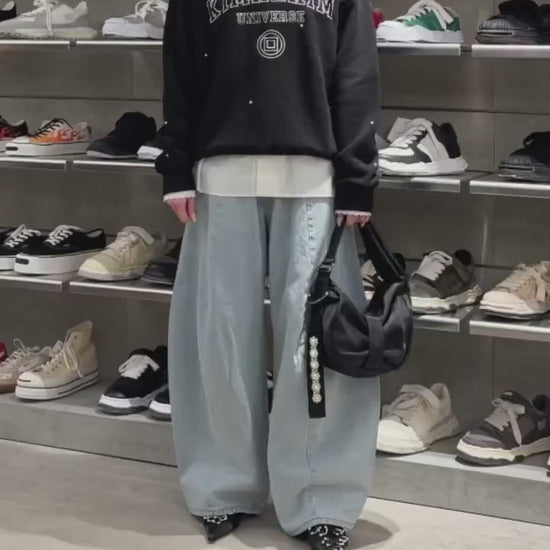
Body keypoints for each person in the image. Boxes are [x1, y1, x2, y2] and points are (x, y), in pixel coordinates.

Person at [156, 0, 381, 548]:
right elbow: (181, 64)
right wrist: (175, 164)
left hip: (314, 172)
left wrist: (357, 174)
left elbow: (356, 68)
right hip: (218, 172)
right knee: (218, 338)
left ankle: (322, 498)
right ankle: (223, 486)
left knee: (316, 343)